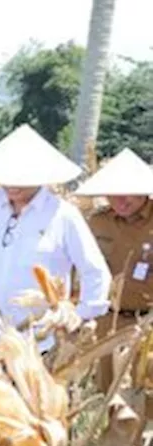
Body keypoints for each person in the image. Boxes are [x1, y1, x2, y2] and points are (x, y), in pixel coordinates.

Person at [0, 124, 112, 348]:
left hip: (38, 342)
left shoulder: (63, 214)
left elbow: (95, 271)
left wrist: (79, 316)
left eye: (21, 176)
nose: (12, 183)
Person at [73, 148, 153, 390]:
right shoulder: (97, 222)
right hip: (106, 323)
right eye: (112, 194)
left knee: (143, 393)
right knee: (104, 393)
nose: (119, 201)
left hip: (147, 322)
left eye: (125, 193)